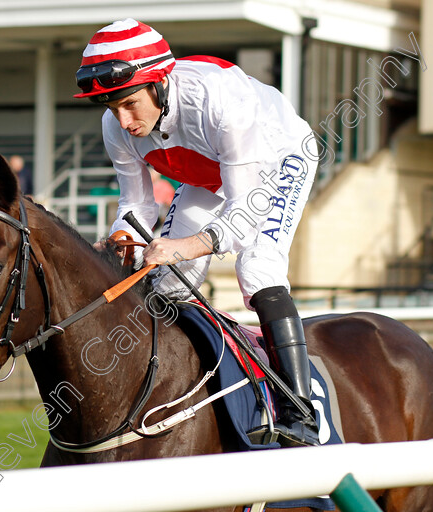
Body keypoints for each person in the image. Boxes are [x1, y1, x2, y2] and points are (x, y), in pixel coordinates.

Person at [75, 19, 319, 446]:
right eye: (112, 108)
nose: (124, 120)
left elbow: (243, 215)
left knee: (258, 268)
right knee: (169, 283)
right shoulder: (115, 125)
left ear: (160, 83)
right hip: (211, 173)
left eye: (130, 103)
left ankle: (300, 413)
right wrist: (120, 243)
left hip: (281, 157)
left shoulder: (222, 99)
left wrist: (182, 246)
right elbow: (136, 205)